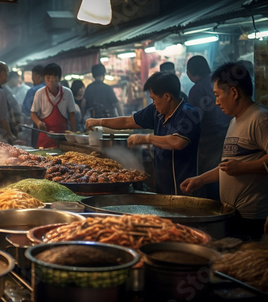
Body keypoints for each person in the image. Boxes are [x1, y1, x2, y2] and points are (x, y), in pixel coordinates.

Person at [181, 62, 268, 240]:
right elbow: (229, 166)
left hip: (253, 217)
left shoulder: (260, 118)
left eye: (218, 95)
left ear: (234, 93)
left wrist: (244, 168)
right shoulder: (235, 120)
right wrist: (200, 180)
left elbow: (238, 167)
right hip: (233, 213)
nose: (216, 101)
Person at [86, 71, 201, 195]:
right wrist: (99, 121)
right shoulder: (156, 111)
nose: (154, 103)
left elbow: (178, 142)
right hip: (162, 185)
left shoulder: (187, 113)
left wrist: (147, 138)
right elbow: (127, 122)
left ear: (167, 97)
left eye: (154, 99)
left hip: (185, 186)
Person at [186, 55, 232, 200]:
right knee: (223, 174)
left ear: (190, 72)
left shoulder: (196, 89)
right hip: (227, 134)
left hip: (208, 141)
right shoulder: (216, 82)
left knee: (209, 182)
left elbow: (194, 121)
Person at [30, 63, 76, 148]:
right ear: (44, 78)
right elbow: (33, 113)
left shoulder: (67, 93)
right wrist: (39, 123)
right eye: (48, 78)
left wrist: (74, 134)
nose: (51, 80)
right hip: (45, 136)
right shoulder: (40, 93)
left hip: (62, 136)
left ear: (59, 78)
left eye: (54, 77)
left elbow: (72, 114)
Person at [22, 65, 45, 147]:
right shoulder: (53, 89)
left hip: (36, 125)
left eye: (33, 76)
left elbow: (26, 110)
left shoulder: (32, 91)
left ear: (37, 76)